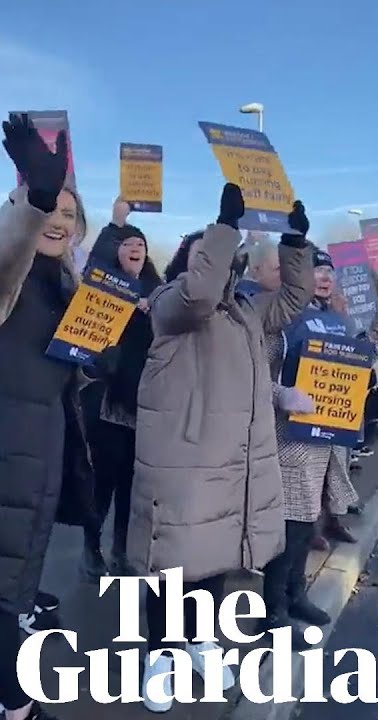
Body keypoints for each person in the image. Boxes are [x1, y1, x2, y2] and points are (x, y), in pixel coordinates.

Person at [130, 185, 314, 712]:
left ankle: (200, 639)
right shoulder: (172, 306)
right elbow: (198, 292)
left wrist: (295, 241)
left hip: (230, 464)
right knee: (171, 565)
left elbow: (295, 299)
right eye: (204, 255)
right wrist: (223, 224)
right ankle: (160, 652)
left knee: (214, 559)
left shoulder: (247, 312)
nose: (217, 265)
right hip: (182, 462)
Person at [0, 112, 87, 720]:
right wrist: (34, 196)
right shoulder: (12, 272)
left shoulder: (71, 288)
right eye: (47, 210)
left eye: (66, 214)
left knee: (15, 589)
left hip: (40, 463)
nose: (57, 220)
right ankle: (17, 706)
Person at [260, 243, 346, 646]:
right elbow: (256, 371)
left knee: (306, 520)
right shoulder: (274, 317)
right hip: (286, 433)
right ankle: (273, 609)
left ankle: (296, 594)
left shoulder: (330, 320)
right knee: (289, 526)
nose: (321, 277)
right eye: (315, 270)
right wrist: (281, 394)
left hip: (319, 436)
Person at [80, 197, 163, 579]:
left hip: (143, 405)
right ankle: (90, 548)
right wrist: (117, 223)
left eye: (140, 245)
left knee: (132, 486)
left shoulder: (156, 290)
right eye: (127, 244)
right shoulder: (103, 286)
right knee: (103, 482)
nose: (134, 249)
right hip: (107, 402)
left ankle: (121, 551)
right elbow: (94, 267)